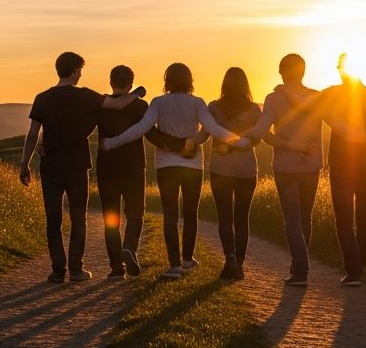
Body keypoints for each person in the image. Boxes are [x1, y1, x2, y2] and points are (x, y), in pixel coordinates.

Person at [100, 63, 247, 279]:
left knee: (170, 214)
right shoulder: (197, 103)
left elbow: (141, 129)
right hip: (192, 166)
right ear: (190, 81)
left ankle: (174, 265)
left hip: (166, 166)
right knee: (190, 214)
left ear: (167, 80)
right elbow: (213, 129)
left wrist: (112, 142)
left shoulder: (158, 103)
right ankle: (187, 259)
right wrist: (240, 141)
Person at [18, 52, 145, 283]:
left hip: (51, 167)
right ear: (75, 71)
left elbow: (32, 135)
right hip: (77, 166)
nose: (80, 75)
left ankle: (58, 270)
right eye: (80, 71)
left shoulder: (42, 98)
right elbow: (117, 105)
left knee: (53, 219)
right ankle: (76, 270)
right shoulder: (85, 96)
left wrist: (24, 164)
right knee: (79, 218)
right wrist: (138, 92)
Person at [242, 53, 324, 287]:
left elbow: (261, 131)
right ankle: (299, 265)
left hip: (286, 167)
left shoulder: (274, 98)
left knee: (292, 220)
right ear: (304, 71)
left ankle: (300, 269)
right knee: (305, 217)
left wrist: (236, 135)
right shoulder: (317, 97)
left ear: (281, 72)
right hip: (312, 165)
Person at [319, 53, 366, 287]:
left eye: (340, 67)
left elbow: (310, 105)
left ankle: (354, 269)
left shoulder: (332, 95)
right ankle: (359, 266)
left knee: (344, 217)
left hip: (341, 163)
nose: (339, 70)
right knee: (364, 216)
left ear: (342, 69)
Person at [202, 67, 261, 280]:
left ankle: (230, 259)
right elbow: (257, 138)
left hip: (220, 168)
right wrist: (241, 144)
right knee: (242, 218)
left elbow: (204, 135)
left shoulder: (214, 108)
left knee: (225, 217)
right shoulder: (254, 109)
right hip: (246, 169)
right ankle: (240, 264)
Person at [95, 64, 149, 279]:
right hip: (134, 167)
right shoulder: (141, 106)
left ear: (110, 82)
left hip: (107, 168)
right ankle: (129, 248)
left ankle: (116, 268)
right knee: (135, 213)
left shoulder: (101, 106)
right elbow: (151, 131)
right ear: (130, 84)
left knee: (111, 217)